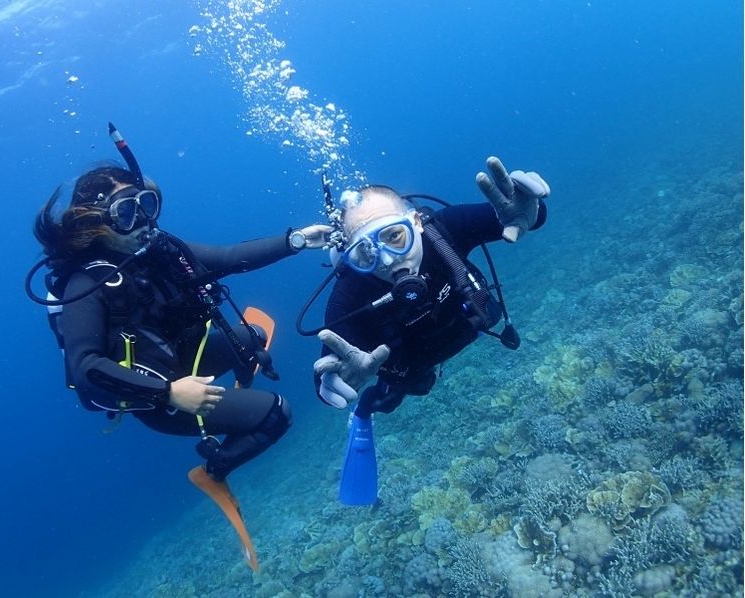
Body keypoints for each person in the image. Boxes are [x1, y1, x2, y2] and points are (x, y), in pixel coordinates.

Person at [27, 126, 331, 490]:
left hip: (181, 357)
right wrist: (170, 393)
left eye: (145, 205)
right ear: (96, 224)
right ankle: (216, 468)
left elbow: (230, 258)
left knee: (253, 337)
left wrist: (294, 240)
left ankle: (225, 395)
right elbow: (85, 367)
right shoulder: (87, 284)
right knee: (277, 414)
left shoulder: (160, 250)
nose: (142, 221)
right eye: (125, 213)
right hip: (157, 397)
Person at [309, 156, 550, 504]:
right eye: (366, 253)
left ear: (416, 222)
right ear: (352, 259)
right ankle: (363, 415)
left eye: (395, 236)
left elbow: (519, 216)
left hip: (468, 324)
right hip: (413, 364)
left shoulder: (446, 228)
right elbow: (326, 378)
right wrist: (338, 384)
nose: (389, 260)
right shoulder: (350, 296)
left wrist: (531, 213)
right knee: (392, 397)